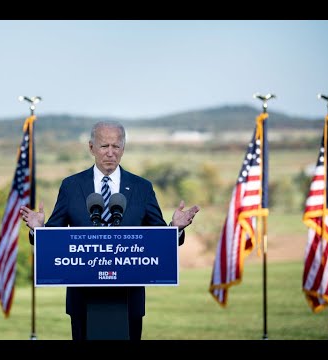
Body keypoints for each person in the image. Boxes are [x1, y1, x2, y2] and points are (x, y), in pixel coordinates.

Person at [20, 120, 200, 340]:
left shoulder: (141, 187)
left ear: (123, 149)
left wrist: (175, 229)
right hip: (83, 299)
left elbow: (157, 239)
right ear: (91, 148)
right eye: (104, 146)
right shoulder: (71, 186)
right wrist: (39, 231)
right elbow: (55, 238)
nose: (110, 153)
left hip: (128, 298)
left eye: (116, 146)